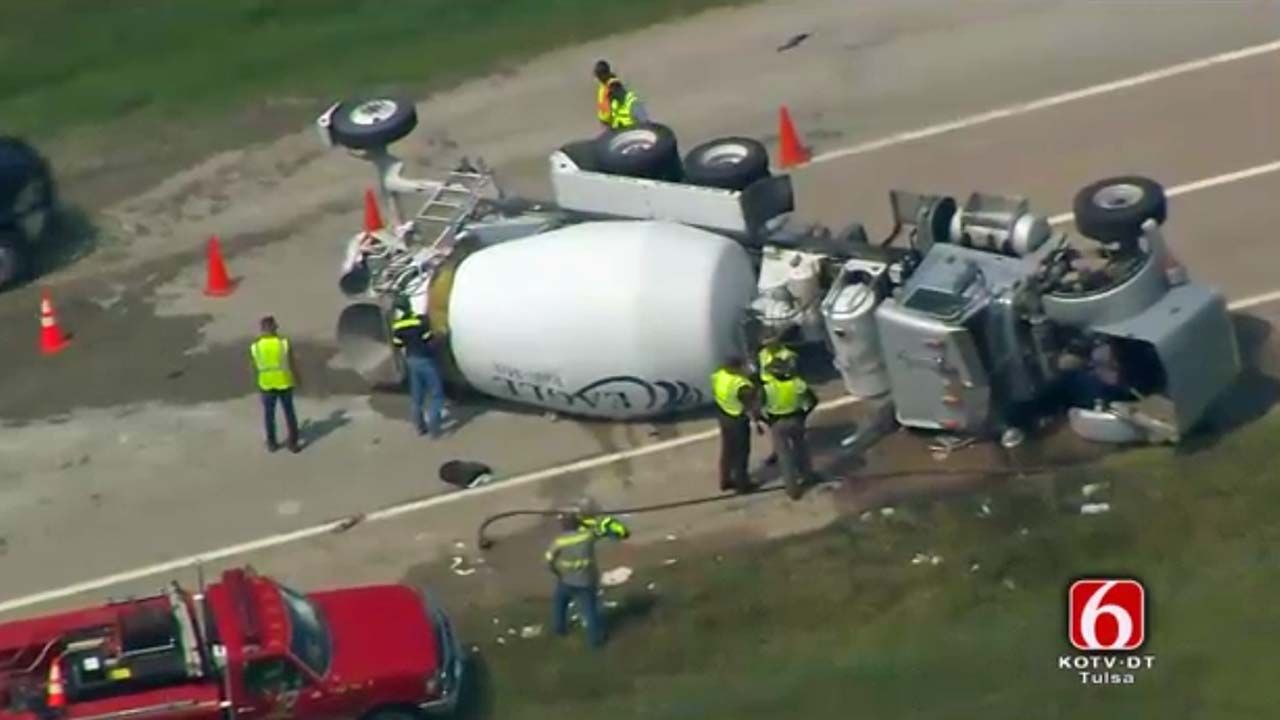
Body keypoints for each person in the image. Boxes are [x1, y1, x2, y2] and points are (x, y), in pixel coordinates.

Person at [546, 511, 629, 648]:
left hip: (566, 580)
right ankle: (595, 641)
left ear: (563, 526)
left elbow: (549, 560)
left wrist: (557, 573)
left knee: (560, 604)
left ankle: (559, 629)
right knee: (590, 611)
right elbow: (601, 528)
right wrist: (586, 520)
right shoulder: (587, 536)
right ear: (577, 524)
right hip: (586, 580)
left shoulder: (559, 542)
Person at [761, 356, 820, 499]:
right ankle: (808, 476)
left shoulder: (768, 388)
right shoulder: (797, 383)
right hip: (796, 419)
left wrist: (767, 421)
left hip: (777, 422)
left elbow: (758, 408)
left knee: (784, 456)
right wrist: (804, 415)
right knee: (801, 449)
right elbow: (813, 401)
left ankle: (792, 489)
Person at [391, 298, 446, 437]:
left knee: (417, 396)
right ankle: (434, 426)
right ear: (409, 306)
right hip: (425, 359)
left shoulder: (397, 326)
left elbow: (397, 345)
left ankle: (420, 427)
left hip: (411, 360)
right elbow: (429, 340)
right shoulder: (420, 321)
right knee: (437, 394)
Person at [250, 316, 302, 453]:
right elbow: (292, 363)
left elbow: (255, 366)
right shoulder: (283, 343)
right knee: (289, 413)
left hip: (266, 384)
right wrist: (298, 378)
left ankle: (272, 443)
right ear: (274, 328)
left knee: (269, 415)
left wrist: (258, 381)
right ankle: (293, 443)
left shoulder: (255, 347)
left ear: (262, 329)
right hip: (284, 382)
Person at [710, 356, 762, 494]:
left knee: (727, 450)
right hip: (737, 419)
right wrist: (757, 420)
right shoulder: (740, 384)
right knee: (741, 453)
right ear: (737, 368)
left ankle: (725, 479)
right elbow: (750, 404)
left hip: (723, 414)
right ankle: (742, 484)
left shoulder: (719, 375)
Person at [593, 59, 645, 130]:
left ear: (602, 75)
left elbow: (626, 104)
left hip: (621, 125)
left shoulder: (614, 87)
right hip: (611, 124)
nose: (597, 78)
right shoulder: (604, 86)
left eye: (598, 75)